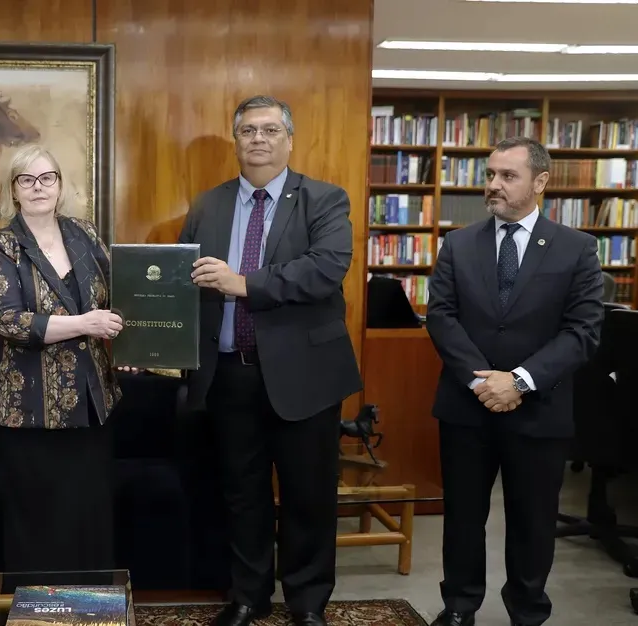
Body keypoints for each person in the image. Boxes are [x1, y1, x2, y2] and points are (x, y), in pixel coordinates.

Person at [177, 95, 362, 626]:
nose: (258, 139)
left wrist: (242, 283)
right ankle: (248, 597)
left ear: (289, 139)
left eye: (270, 130)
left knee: (309, 497)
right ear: (235, 141)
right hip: (229, 376)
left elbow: (325, 269)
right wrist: (153, 346)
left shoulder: (325, 200)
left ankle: (307, 604)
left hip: (305, 376)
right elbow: (179, 285)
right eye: (248, 131)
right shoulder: (208, 205)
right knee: (243, 495)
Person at [425, 136, 604, 626]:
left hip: (540, 411)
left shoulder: (577, 249)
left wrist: (520, 381)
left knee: (532, 522)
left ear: (540, 182)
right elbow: (440, 316)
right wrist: (482, 382)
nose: (494, 185)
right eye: (490, 175)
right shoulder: (459, 243)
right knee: (463, 519)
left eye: (508, 176)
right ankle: (459, 607)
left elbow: (582, 331)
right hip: (466, 407)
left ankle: (527, 612)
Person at [0, 143, 124, 573]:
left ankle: (93, 609)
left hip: (91, 404)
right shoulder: (0, 246)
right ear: (14, 190)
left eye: (47, 178)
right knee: (37, 520)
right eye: (27, 179)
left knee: (89, 515)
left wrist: (132, 342)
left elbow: (118, 299)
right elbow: (6, 320)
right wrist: (85, 324)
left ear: (60, 186)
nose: (38, 187)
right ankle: (35, 613)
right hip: (29, 411)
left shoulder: (85, 234)